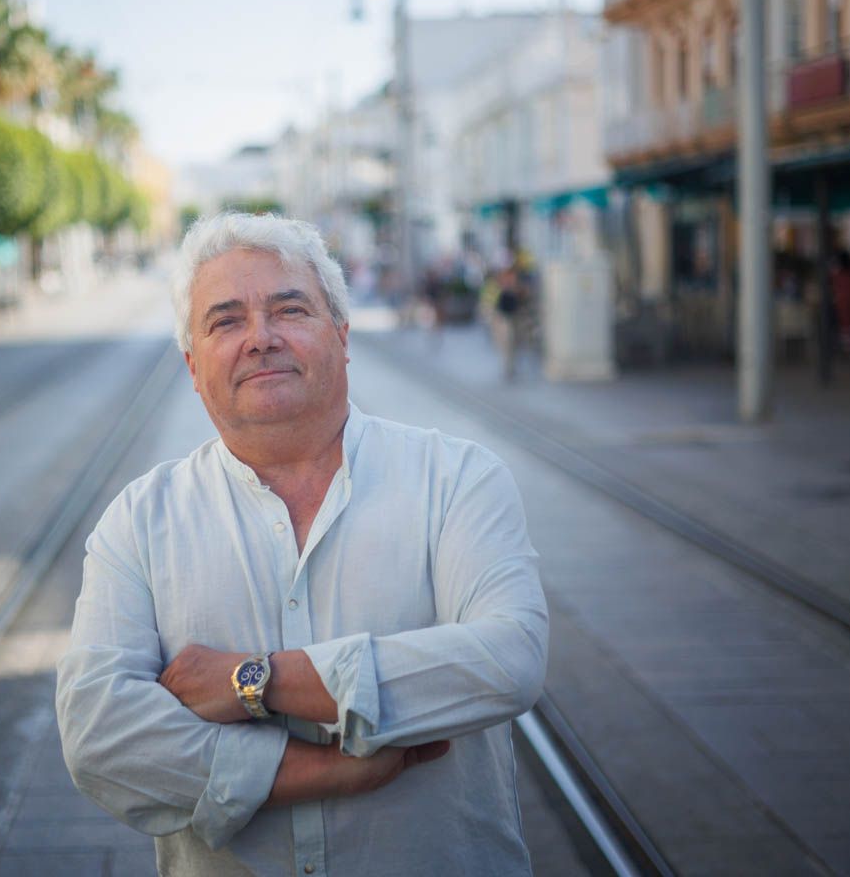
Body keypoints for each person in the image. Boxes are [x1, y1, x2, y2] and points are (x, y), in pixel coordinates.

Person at [56, 213, 549, 876]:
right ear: (193, 366)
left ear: (342, 337)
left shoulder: (457, 479)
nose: (260, 338)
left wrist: (253, 681)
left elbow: (508, 660)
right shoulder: (138, 522)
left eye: (289, 310)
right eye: (226, 321)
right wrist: (320, 771)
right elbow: (99, 735)